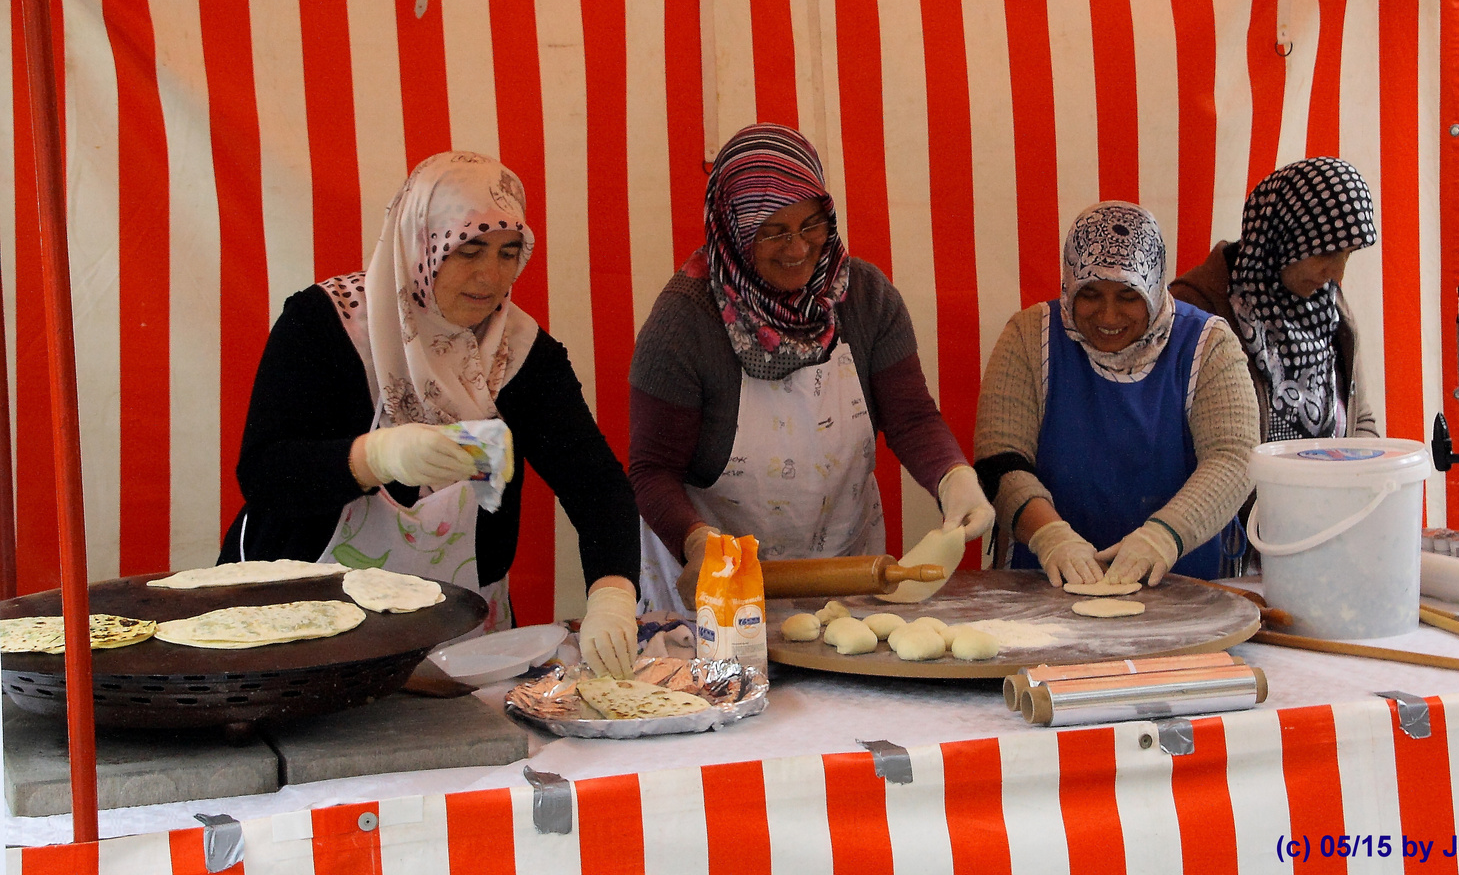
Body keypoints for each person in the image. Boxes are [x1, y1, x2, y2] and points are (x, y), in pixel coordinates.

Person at [222, 151, 641, 678]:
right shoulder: (327, 326)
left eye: (509, 253)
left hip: (458, 639)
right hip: (298, 630)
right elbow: (264, 473)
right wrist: (374, 458)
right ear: (421, 242)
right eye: (469, 251)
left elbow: (597, 486)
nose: (491, 277)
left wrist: (613, 593)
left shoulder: (521, 354)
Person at [628, 123, 995, 612]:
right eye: (772, 232)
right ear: (732, 228)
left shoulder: (865, 297)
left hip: (845, 573)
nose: (798, 248)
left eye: (811, 226)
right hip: (717, 590)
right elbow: (652, 470)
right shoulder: (683, 321)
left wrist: (952, 477)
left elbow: (910, 418)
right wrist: (696, 542)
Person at [974, 202, 1258, 587]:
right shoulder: (1030, 337)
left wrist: (1164, 536)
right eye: (1089, 293)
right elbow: (999, 459)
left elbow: (1234, 457)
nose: (1108, 317)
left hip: (1179, 582)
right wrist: (1049, 536)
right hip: (1045, 581)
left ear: (1155, 287)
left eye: (1128, 296)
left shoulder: (1209, 345)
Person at [1170, 157, 1380, 442]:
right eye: (1325, 254)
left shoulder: (1329, 307)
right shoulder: (1196, 309)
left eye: (1348, 254)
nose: (1337, 273)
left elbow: (1360, 417)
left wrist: (1360, 474)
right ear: (1282, 238)